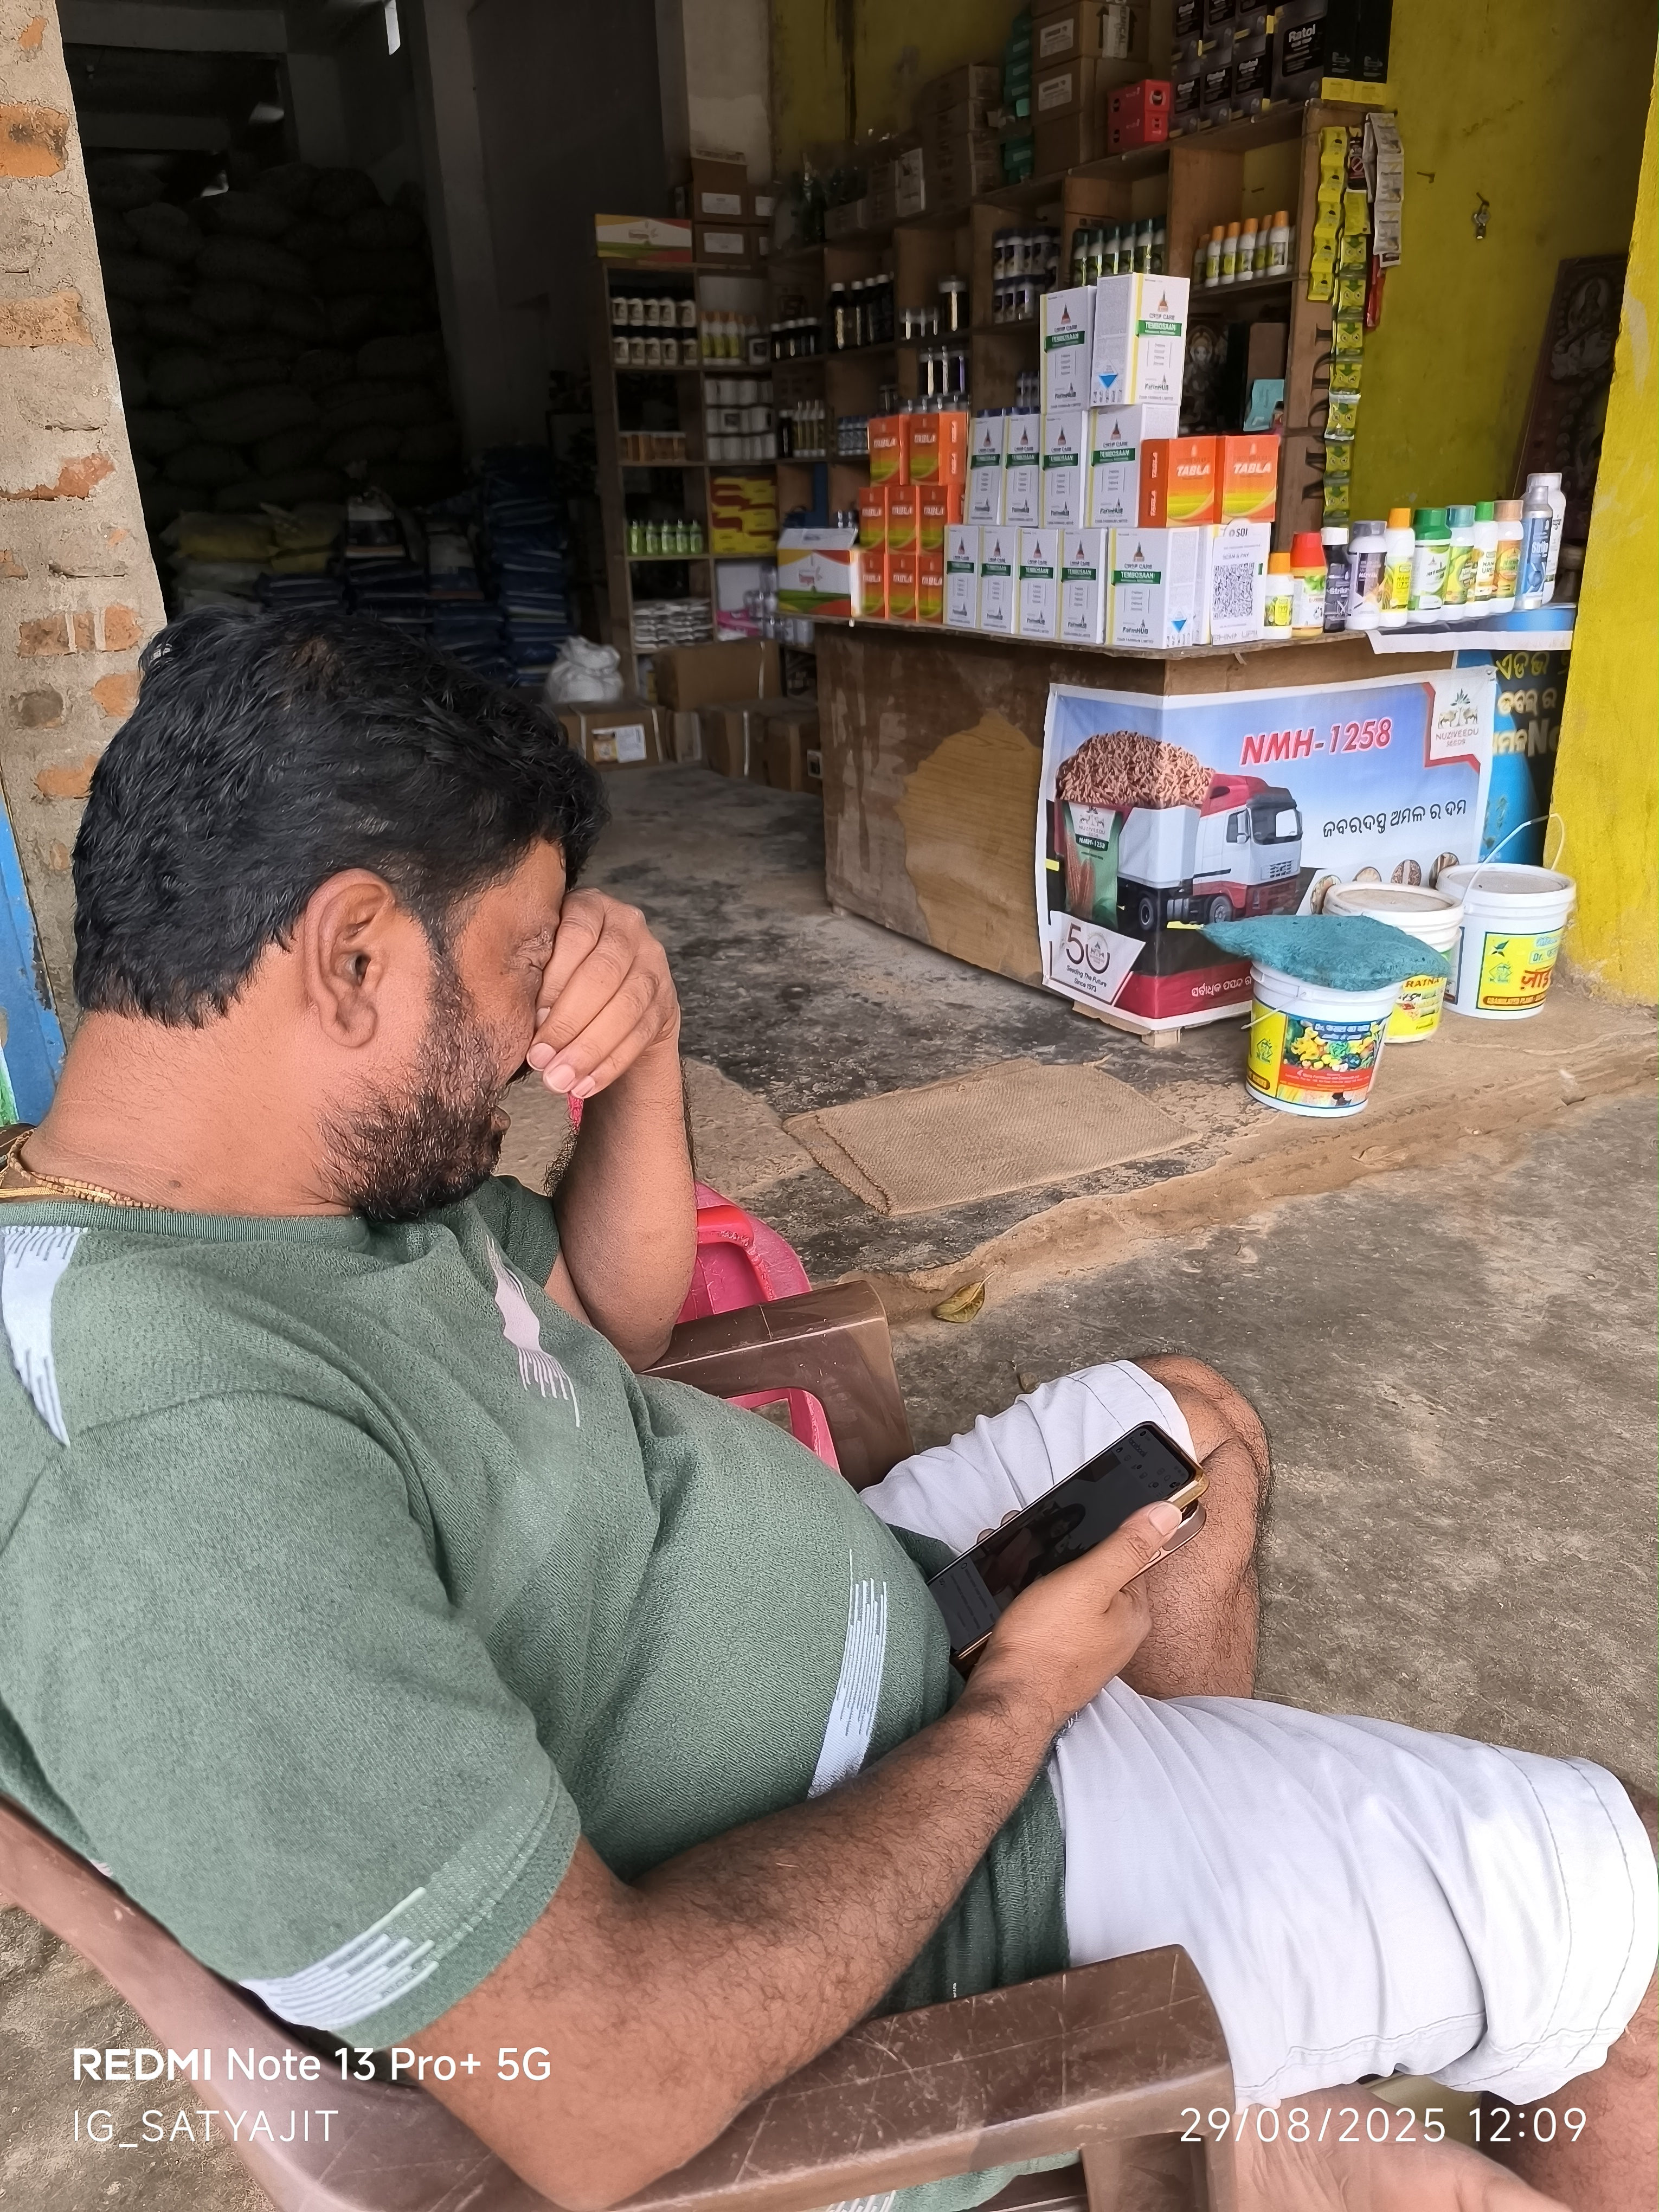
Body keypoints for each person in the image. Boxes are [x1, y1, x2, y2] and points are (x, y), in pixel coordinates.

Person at [0, 610, 1652, 2212]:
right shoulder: (160, 1470)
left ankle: (1249, 2008)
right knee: (1636, 1938)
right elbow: (605, 2090)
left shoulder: (263, 1189)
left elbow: (607, 1320)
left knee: (1184, 1425)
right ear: (353, 953)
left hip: (853, 1658)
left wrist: (643, 1049)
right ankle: (1167, 1996)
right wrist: (1017, 1708)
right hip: (914, 1879)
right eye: (520, 966)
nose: (521, 1039)